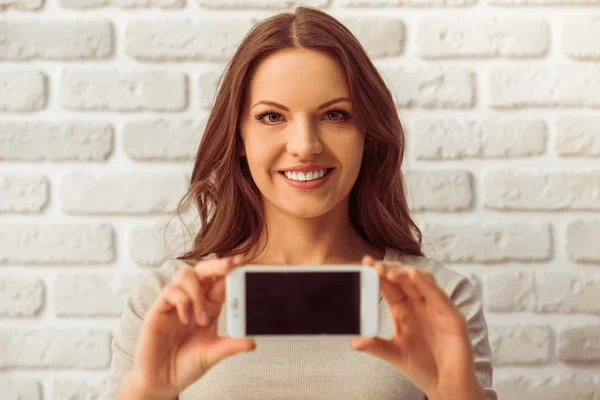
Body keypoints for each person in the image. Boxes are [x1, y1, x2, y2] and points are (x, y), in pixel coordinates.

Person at [101, 6, 498, 400]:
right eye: (272, 117)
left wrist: (455, 392)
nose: (305, 146)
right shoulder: (170, 302)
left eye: (336, 115)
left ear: (368, 132)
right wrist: (147, 392)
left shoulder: (437, 300)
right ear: (239, 137)